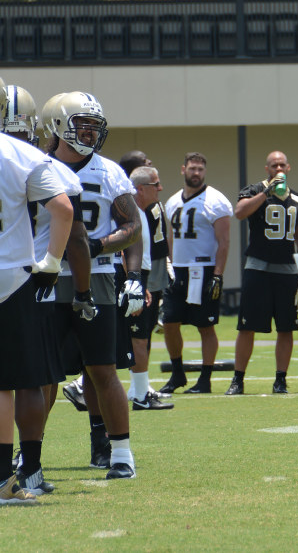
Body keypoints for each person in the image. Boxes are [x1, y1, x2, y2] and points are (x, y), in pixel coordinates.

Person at [43, 91, 143, 479]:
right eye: (81, 124)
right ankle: (28, 455)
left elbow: (133, 227)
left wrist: (95, 246)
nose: (89, 132)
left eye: (93, 126)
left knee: (102, 370)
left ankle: (120, 454)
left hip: (99, 278)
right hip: (46, 277)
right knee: (42, 373)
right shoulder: (39, 166)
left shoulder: (109, 171)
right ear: (57, 125)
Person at [1, 85, 77, 501]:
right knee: (26, 382)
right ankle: (26, 473)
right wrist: (51, 261)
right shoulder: (25, 155)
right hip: (15, 275)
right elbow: (65, 208)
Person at [228, 151, 298, 396]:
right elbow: (239, 212)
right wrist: (267, 192)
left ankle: (280, 379)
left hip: (288, 270)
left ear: (289, 167)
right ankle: (238, 379)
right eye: (274, 165)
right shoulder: (253, 190)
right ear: (267, 168)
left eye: (282, 164)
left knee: (286, 327)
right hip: (258, 267)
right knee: (247, 326)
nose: (278, 168)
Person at [160, 152, 232, 395]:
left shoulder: (216, 200)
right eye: (192, 168)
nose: (196, 173)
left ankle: (205, 378)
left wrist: (218, 275)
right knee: (169, 323)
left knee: (205, 326)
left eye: (200, 169)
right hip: (178, 270)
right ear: (183, 169)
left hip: (204, 269)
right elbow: (171, 237)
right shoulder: (172, 202)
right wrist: (169, 264)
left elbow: (224, 241)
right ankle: (177, 373)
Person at [124, 165, 174, 410]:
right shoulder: (131, 211)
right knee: (137, 339)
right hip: (132, 279)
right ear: (141, 189)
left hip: (139, 277)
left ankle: (139, 391)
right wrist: (134, 283)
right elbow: (123, 250)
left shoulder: (142, 212)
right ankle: (141, 396)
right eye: (156, 184)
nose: (161, 189)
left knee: (139, 338)